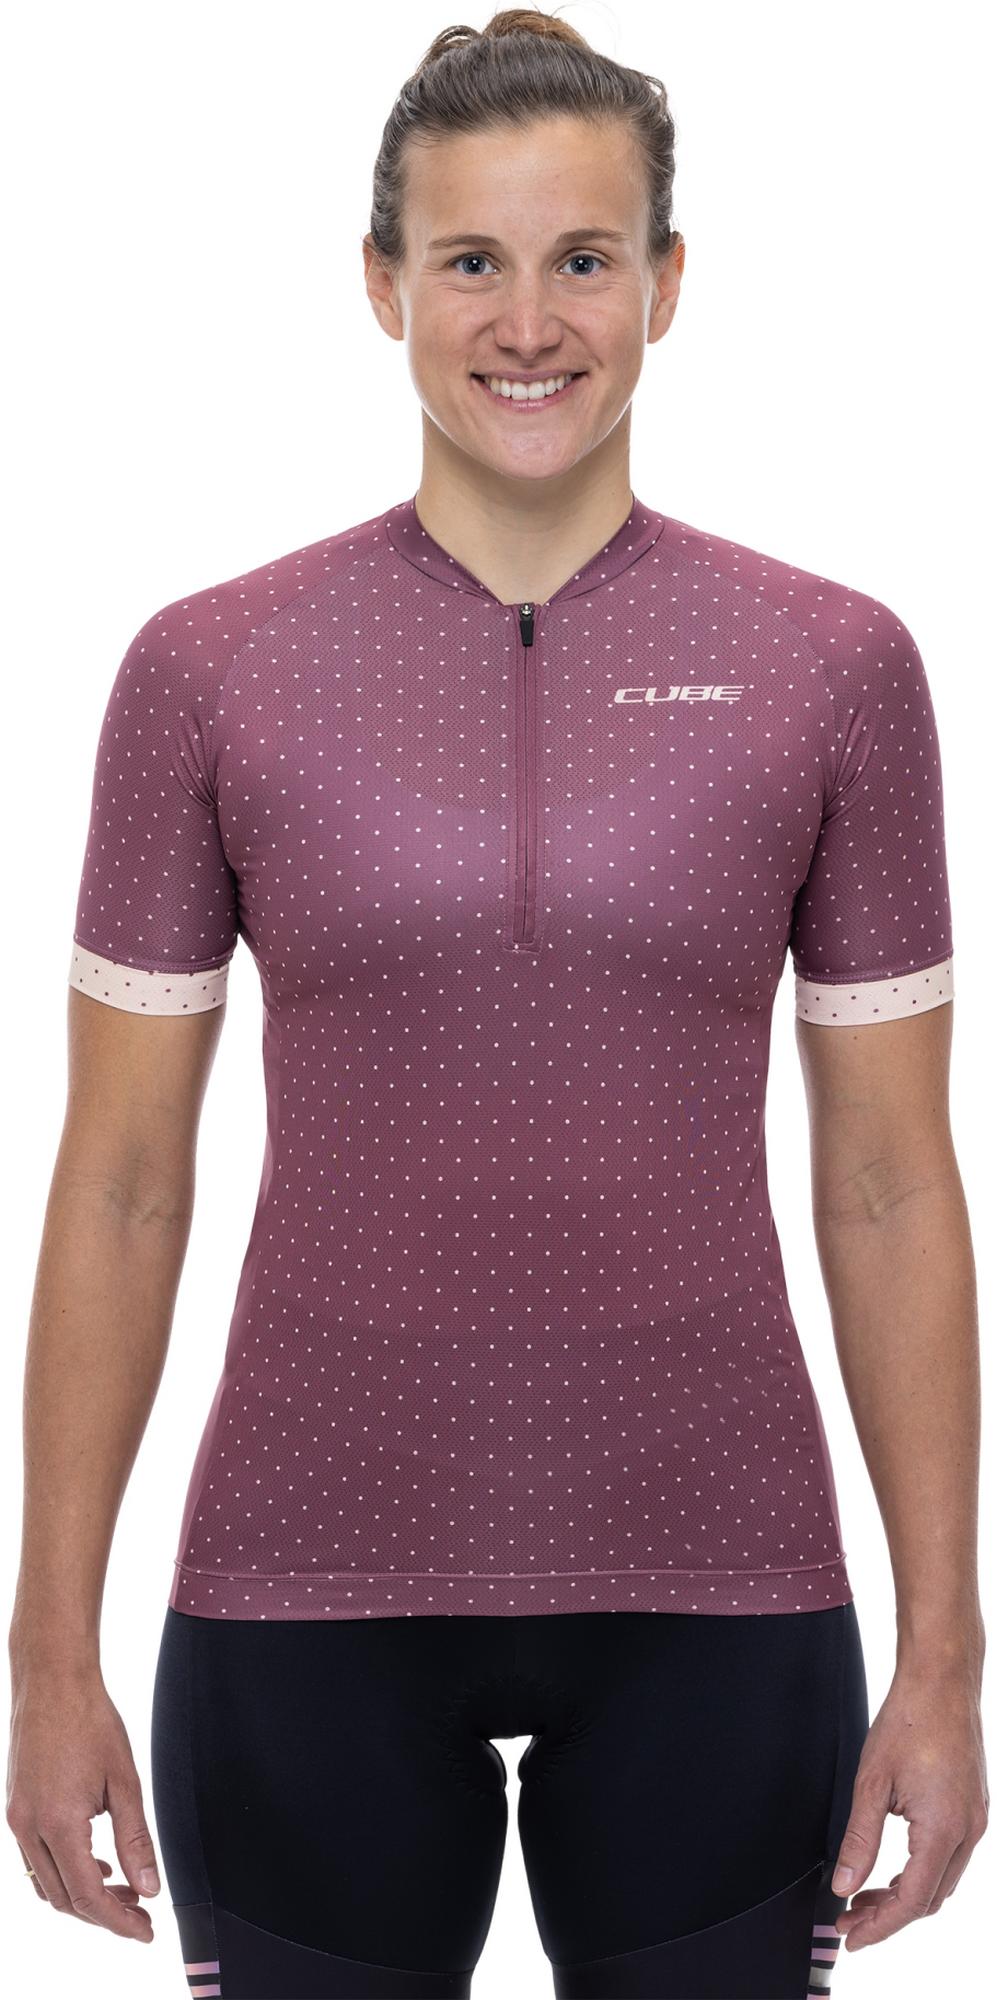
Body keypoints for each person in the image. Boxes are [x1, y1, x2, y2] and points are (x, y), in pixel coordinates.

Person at [6, 7, 988, 1997]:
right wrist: (46, 1653)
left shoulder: (831, 665)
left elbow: (888, 1181)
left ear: (666, 284)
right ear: (381, 284)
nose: (526, 323)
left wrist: (946, 1659)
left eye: (582, 258)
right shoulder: (209, 669)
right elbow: (120, 1178)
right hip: (299, 1591)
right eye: (469, 258)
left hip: (723, 1590)